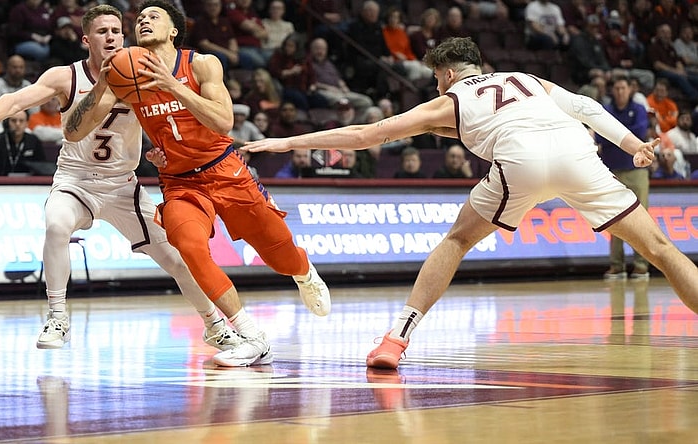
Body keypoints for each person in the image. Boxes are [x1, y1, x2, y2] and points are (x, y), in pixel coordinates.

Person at [244, 37, 698, 369]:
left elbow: (365, 136)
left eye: (436, 78)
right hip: (576, 152)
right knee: (661, 249)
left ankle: (395, 340)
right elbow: (584, 106)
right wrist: (633, 141)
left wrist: (284, 142)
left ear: (446, 74)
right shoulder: (525, 79)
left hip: (520, 161)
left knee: (457, 240)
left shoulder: (450, 99)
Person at [0, 5, 270, 367]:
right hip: (76, 181)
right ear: (87, 40)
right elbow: (16, 99)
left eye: (117, 31)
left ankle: (215, 325)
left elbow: (170, 123)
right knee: (56, 224)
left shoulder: (143, 73)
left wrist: (162, 153)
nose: (112, 37)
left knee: (179, 259)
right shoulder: (65, 76)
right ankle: (57, 316)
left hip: (123, 186)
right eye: (102, 32)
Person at [60, 0, 331, 365]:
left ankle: (303, 272)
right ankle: (250, 335)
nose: (143, 21)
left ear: (174, 30)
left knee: (279, 256)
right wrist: (99, 87)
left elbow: (223, 122)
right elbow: (74, 131)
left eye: (153, 16)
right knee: (188, 245)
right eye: (139, 18)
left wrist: (173, 85)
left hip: (224, 170)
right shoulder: (129, 75)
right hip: (178, 181)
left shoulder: (202, 63)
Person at [596, 75, 651, 280]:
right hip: (612, 172)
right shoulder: (606, 109)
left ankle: (641, 265)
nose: (620, 91)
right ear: (613, 90)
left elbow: (641, 131)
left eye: (623, 88)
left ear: (630, 89)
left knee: (642, 219)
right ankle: (617, 266)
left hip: (637, 172)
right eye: (617, 88)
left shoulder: (638, 109)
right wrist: (624, 137)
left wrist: (615, 134)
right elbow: (601, 135)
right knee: (614, 218)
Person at [0, 110, 47, 176]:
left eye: (21, 121)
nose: (18, 124)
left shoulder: (34, 141)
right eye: (14, 120)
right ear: (7, 123)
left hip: (28, 185)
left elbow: (42, 168)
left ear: (27, 123)